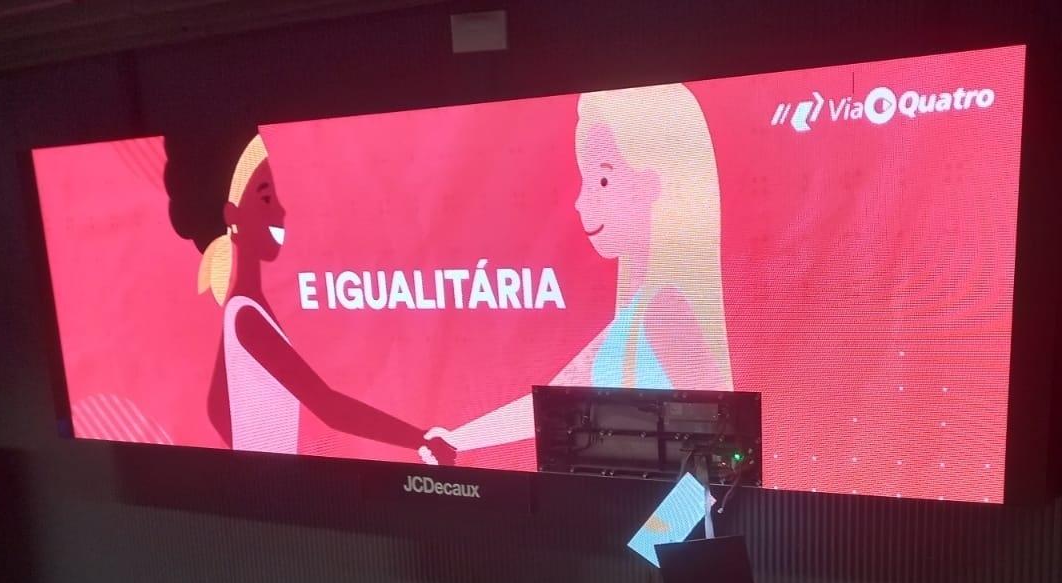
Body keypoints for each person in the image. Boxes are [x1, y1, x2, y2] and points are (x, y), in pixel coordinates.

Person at [421, 84, 731, 462]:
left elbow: (718, 456)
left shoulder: (667, 312)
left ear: (653, 184)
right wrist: (460, 439)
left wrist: (657, 525)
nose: (581, 201)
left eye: (602, 180)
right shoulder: (634, 317)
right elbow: (550, 401)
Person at [165, 126, 451, 461]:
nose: (281, 211)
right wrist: (420, 439)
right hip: (273, 494)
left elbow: (216, 409)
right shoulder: (246, 317)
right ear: (232, 214)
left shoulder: (243, 309)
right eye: (266, 197)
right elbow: (328, 407)